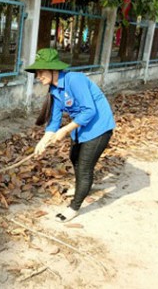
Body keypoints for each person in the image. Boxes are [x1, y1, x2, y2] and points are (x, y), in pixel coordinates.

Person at [26, 48, 115, 222]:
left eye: (41, 72)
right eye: (37, 73)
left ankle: (74, 207)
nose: (38, 77)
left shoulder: (75, 80)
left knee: (84, 166)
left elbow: (90, 110)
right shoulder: (55, 90)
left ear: (53, 70)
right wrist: (43, 142)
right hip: (81, 129)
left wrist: (65, 130)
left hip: (98, 127)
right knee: (74, 156)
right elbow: (54, 121)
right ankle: (82, 185)